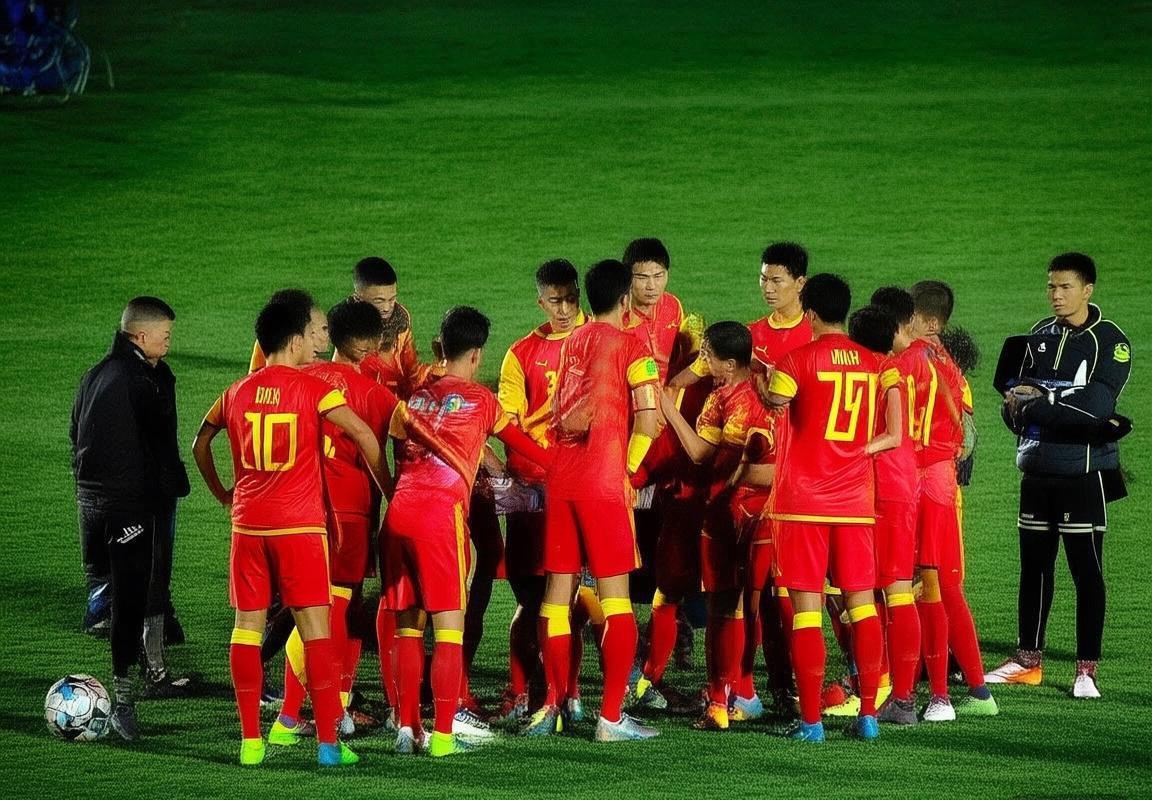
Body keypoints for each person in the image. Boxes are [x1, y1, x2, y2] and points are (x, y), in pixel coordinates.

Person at [192, 294, 388, 767]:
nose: (318, 341)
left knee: (246, 629)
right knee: (317, 632)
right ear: (296, 339)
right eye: (314, 332)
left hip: (248, 526)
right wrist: (391, 491)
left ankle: (251, 742)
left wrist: (223, 493)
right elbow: (363, 434)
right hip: (299, 527)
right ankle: (328, 745)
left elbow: (201, 442)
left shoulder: (236, 391)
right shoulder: (313, 389)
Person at [381, 306, 550, 757]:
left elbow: (395, 447)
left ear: (443, 346)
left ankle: (406, 729)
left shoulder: (414, 397)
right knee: (448, 633)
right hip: (440, 521)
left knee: (408, 630)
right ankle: (442, 736)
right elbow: (526, 449)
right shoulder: (482, 401)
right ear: (476, 354)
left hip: (397, 517)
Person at [526, 259, 662, 742]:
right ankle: (610, 717)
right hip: (604, 484)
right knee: (616, 600)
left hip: (562, 481)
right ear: (626, 300)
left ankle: (552, 705)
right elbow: (649, 419)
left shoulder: (569, 343)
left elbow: (560, 412)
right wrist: (628, 469)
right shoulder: (634, 347)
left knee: (556, 597)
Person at [987, 253, 1131, 698]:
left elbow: (1096, 408)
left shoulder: (1110, 341)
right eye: (1051, 286)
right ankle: (1027, 660)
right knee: (1034, 568)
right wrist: (1030, 407)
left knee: (1086, 570)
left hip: (1082, 472)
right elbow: (1012, 406)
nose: (1056, 294)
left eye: (1065, 286)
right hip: (1036, 469)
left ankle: (1086, 670)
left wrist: (1040, 402)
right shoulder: (1037, 335)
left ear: (1087, 289)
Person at [764, 273, 885, 743]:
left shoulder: (796, 360)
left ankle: (812, 722)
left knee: (807, 611)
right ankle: (868, 715)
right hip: (855, 502)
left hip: (803, 504)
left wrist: (759, 378)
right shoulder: (872, 363)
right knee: (862, 606)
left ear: (809, 312)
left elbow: (776, 402)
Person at [71, 296, 191, 741]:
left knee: (120, 591)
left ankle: (147, 668)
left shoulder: (94, 374)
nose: (169, 341)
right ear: (141, 335)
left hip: (90, 500)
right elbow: (161, 446)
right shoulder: (145, 380)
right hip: (132, 504)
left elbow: (74, 433)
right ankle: (125, 701)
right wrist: (172, 487)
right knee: (137, 594)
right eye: (165, 334)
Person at [657, 321, 774, 731]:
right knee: (753, 604)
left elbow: (698, 452)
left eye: (708, 356)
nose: (703, 362)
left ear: (728, 364)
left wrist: (668, 406)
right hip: (772, 511)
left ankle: (719, 702)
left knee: (722, 606)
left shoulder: (720, 399)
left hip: (727, 509)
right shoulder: (773, 388)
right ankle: (748, 693)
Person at [495, 258, 586, 721]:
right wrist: (547, 459)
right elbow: (508, 423)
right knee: (531, 598)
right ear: (540, 302)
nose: (564, 309)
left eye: (570, 299)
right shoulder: (521, 353)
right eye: (555, 301)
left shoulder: (599, 342)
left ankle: (568, 694)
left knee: (575, 602)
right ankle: (520, 692)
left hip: (580, 488)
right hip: (532, 487)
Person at [905, 280, 997, 722]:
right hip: (943, 486)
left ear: (930, 323)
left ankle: (938, 696)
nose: (901, 326)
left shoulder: (912, 361)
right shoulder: (951, 367)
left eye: (908, 318)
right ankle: (978, 691)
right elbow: (968, 436)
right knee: (944, 588)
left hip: (924, 484)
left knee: (928, 587)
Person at [862, 289, 924, 726]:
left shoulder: (880, 372)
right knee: (890, 590)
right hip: (902, 484)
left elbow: (890, 433)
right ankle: (894, 692)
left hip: (882, 487)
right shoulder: (904, 366)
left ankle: (897, 695)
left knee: (884, 590)